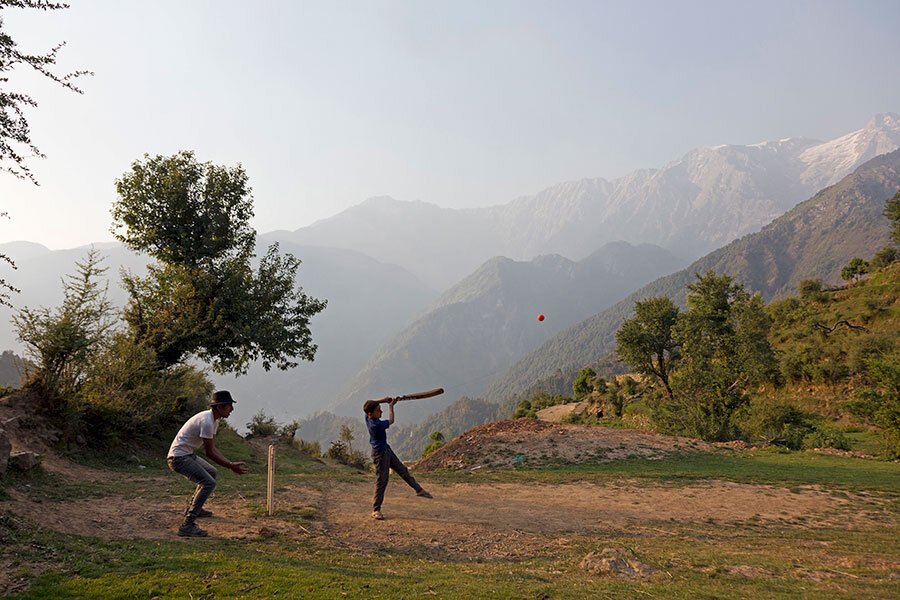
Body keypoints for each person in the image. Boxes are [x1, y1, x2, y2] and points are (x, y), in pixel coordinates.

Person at [167, 390, 248, 537]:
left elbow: (213, 448)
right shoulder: (207, 422)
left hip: (186, 455)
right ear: (219, 407)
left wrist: (229, 463)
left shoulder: (213, 420)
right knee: (209, 483)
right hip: (178, 458)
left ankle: (194, 508)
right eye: (229, 405)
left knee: (211, 472)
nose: (232, 409)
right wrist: (230, 466)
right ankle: (187, 525)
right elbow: (209, 453)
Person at [364, 397, 432, 520]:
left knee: (402, 470)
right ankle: (376, 509)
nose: (381, 411)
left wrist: (384, 400)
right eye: (378, 410)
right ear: (370, 413)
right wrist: (391, 406)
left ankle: (419, 490)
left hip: (386, 450)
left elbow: (371, 402)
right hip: (380, 454)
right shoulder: (376, 425)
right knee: (382, 480)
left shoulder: (367, 416)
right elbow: (391, 420)